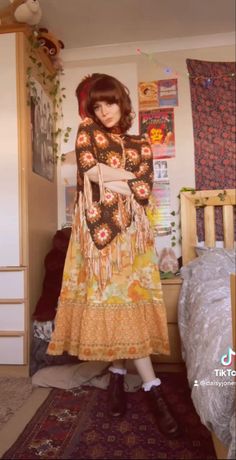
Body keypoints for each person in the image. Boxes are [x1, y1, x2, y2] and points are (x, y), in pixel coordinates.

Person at [47, 74, 180, 438]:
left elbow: (144, 190)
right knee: (114, 303)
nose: (105, 111)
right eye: (98, 105)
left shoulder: (141, 143)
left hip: (132, 238)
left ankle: (119, 377)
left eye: (111, 102)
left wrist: (117, 179)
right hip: (97, 237)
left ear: (123, 102)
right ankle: (155, 392)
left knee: (128, 308)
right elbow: (90, 170)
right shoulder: (87, 130)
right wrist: (125, 176)